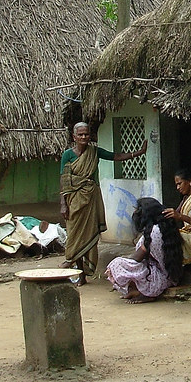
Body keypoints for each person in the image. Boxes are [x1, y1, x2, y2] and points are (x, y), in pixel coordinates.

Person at [60, 121, 147, 284]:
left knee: (89, 235)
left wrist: (139, 153)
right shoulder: (67, 155)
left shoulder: (94, 152)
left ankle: (83, 276)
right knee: (74, 235)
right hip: (74, 200)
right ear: (74, 137)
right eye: (80, 134)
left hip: (91, 199)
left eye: (86, 134)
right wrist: (63, 204)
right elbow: (64, 180)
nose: (84, 137)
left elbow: (116, 157)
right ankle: (72, 262)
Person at [104, 197, 183, 303]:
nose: (135, 213)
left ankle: (145, 293)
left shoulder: (154, 232)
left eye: (138, 210)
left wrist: (120, 264)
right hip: (168, 276)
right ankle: (136, 290)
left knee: (116, 264)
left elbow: (137, 258)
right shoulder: (165, 227)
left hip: (159, 279)